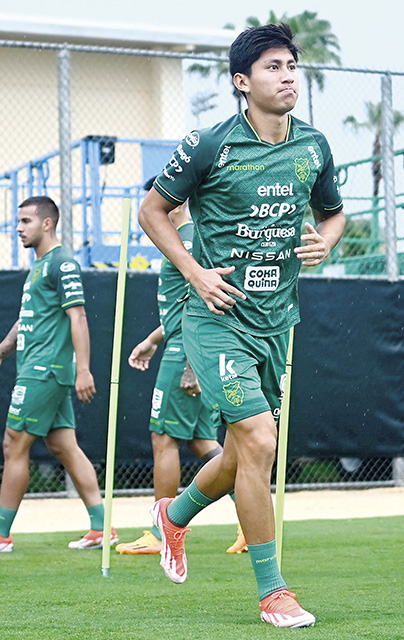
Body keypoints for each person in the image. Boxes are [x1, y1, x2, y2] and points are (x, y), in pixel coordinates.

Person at [136, 23, 345, 629]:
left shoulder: (314, 147)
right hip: (216, 318)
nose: (287, 77)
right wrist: (196, 272)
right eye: (273, 67)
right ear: (241, 82)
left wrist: (324, 243)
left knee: (237, 452)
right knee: (257, 441)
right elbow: (151, 210)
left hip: (278, 320)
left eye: (291, 66)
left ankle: (173, 517)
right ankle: (272, 590)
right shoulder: (210, 143)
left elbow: (332, 215)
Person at [0, 196, 115, 554]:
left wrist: (84, 370)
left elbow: (78, 317)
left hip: (45, 370)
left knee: (14, 443)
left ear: (47, 223)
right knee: (64, 445)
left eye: (26, 221)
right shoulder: (40, 265)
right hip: (38, 367)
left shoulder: (62, 262)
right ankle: (102, 528)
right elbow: (27, 320)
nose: (18, 228)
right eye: (18, 221)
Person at [117, 177, 248, 557]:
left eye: (154, 198)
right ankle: (249, 518)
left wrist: (191, 365)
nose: (149, 205)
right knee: (202, 442)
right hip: (185, 347)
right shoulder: (187, 238)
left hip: (187, 353)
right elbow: (183, 305)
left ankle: (162, 533)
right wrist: (151, 340)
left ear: (173, 201)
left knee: (163, 438)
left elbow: (201, 304)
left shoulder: (188, 238)